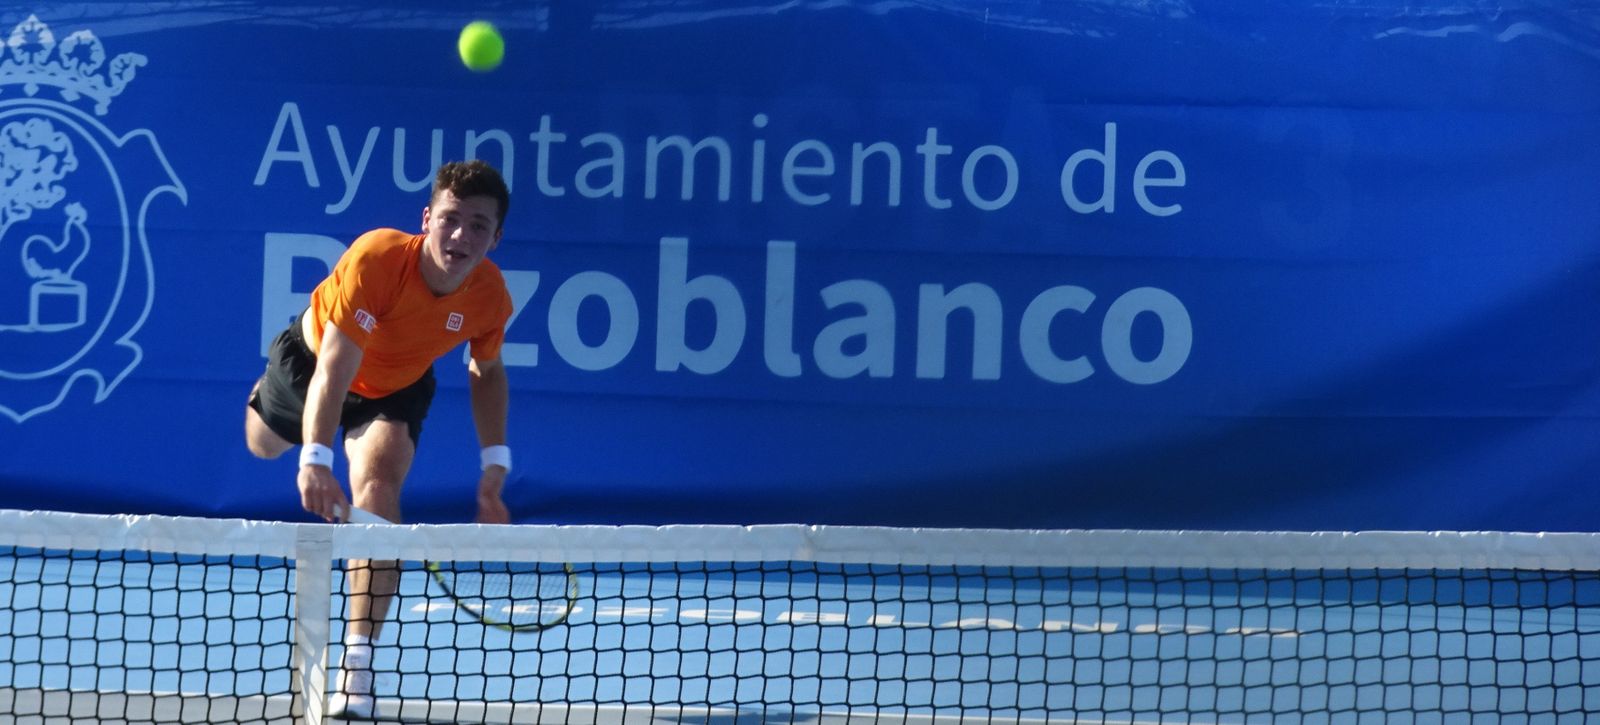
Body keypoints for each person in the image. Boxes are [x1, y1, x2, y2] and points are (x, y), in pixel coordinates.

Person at [243, 159, 516, 719]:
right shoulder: (378, 258)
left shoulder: (490, 296)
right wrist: (315, 460)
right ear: (427, 218)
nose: (461, 235)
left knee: (378, 490)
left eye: (478, 225)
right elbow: (335, 372)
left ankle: (358, 661)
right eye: (450, 219)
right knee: (263, 445)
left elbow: (486, 372)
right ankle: (269, 403)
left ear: (496, 236)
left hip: (398, 385)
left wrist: (493, 465)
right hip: (316, 364)